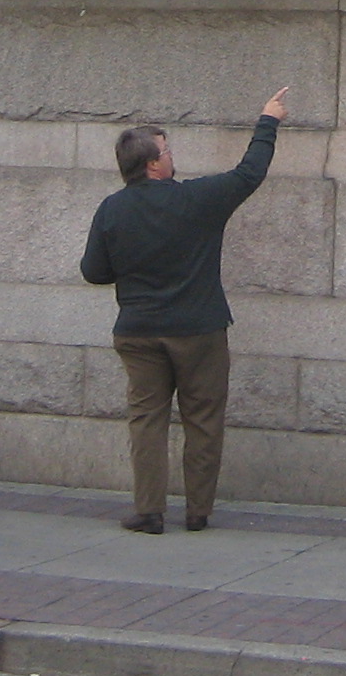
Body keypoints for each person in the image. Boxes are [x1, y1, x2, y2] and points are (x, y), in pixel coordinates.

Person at [81, 87, 289, 534]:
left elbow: (94, 272)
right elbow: (250, 173)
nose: (172, 156)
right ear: (154, 163)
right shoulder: (198, 200)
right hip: (199, 328)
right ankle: (198, 511)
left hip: (138, 330)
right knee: (203, 418)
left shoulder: (111, 210)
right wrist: (267, 121)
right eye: (168, 149)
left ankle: (149, 511)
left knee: (147, 420)